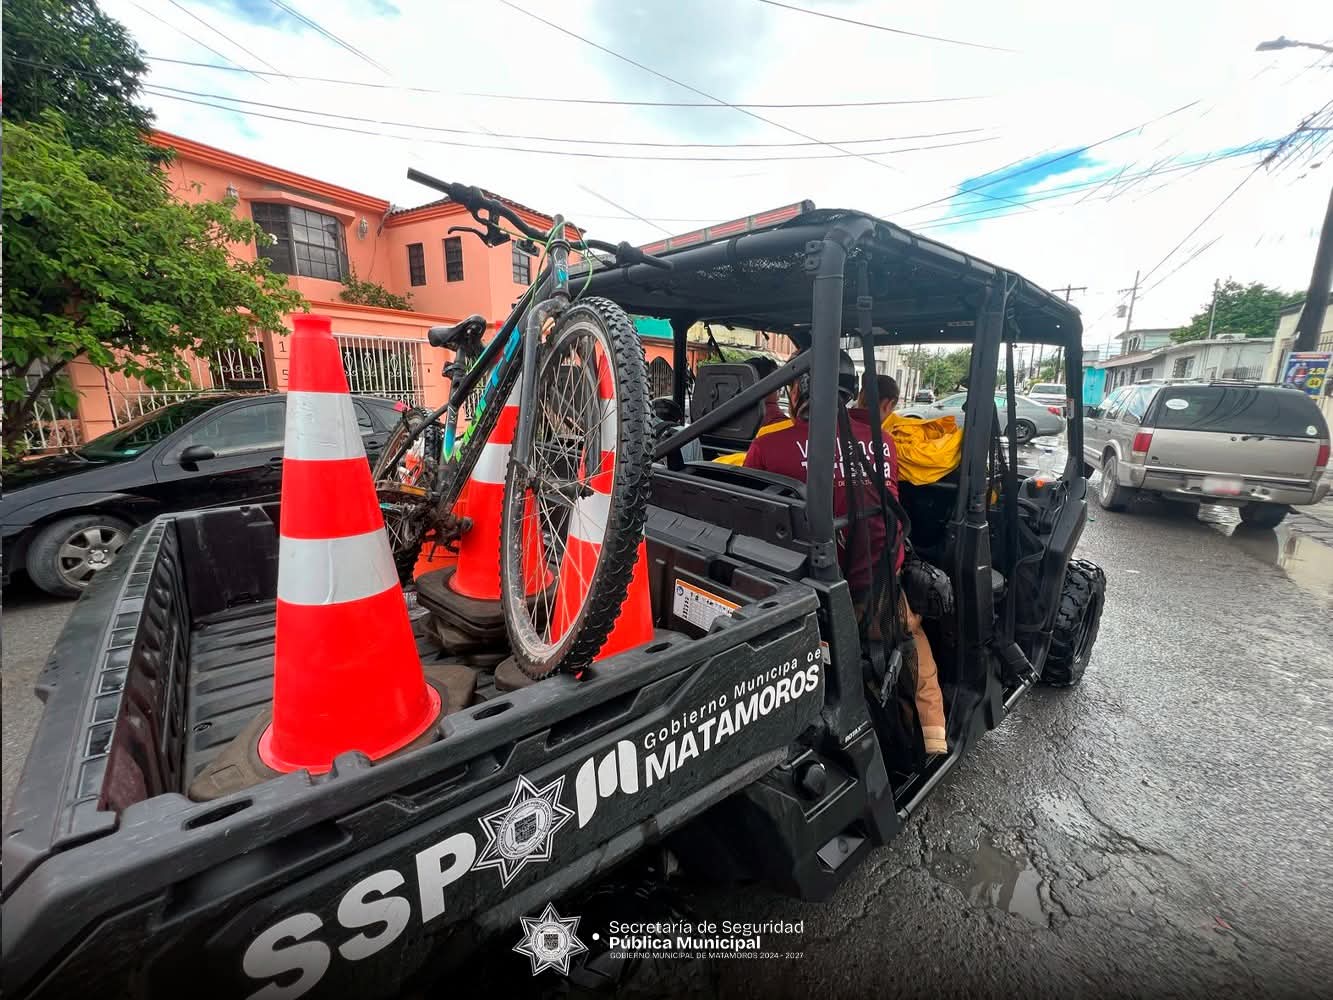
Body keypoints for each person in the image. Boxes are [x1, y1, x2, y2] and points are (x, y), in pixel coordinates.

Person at [743, 353, 947, 754]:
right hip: (878, 585)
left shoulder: (768, 446)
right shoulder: (885, 442)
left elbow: (750, 518)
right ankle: (931, 737)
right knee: (910, 637)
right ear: (849, 391)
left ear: (797, 390)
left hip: (803, 594)